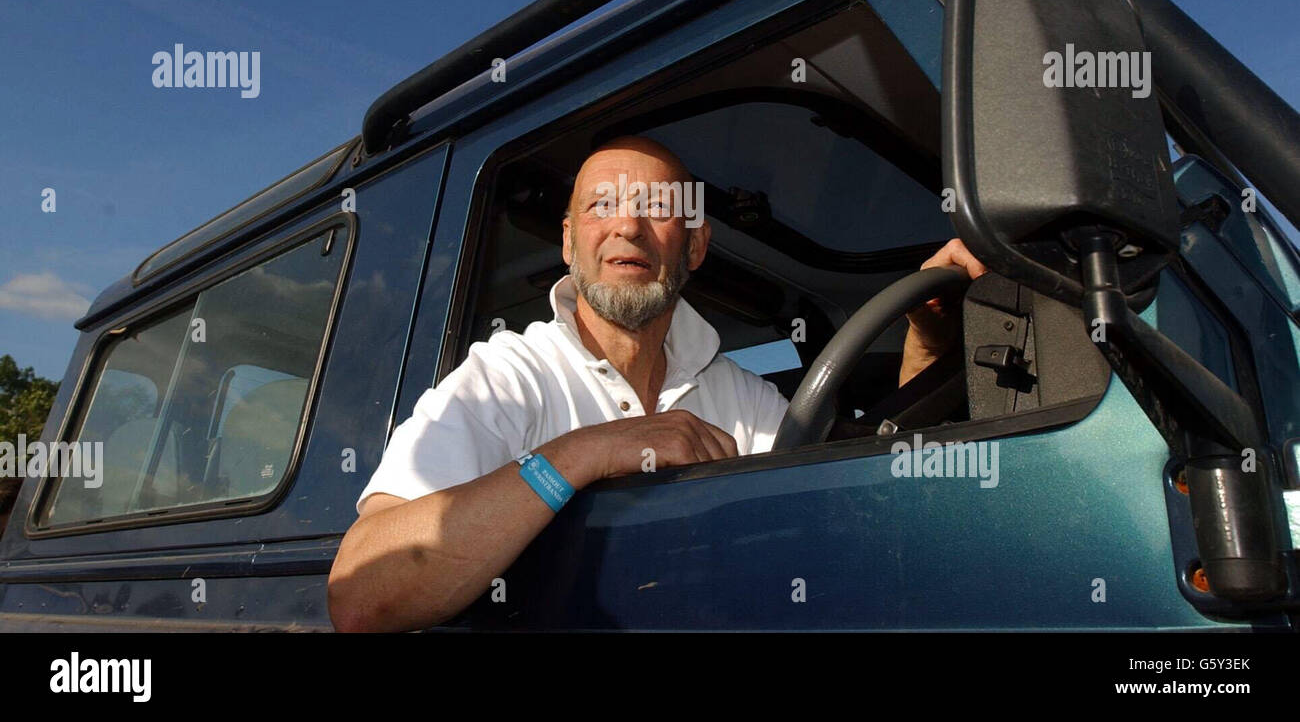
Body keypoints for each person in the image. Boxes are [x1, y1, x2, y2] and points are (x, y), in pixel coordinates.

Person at [327, 136, 986, 632]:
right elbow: (361, 593)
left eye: (657, 207)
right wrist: (585, 453)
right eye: (601, 205)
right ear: (568, 241)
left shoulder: (739, 396)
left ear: (694, 248)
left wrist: (927, 336)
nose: (627, 224)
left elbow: (857, 512)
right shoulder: (506, 377)